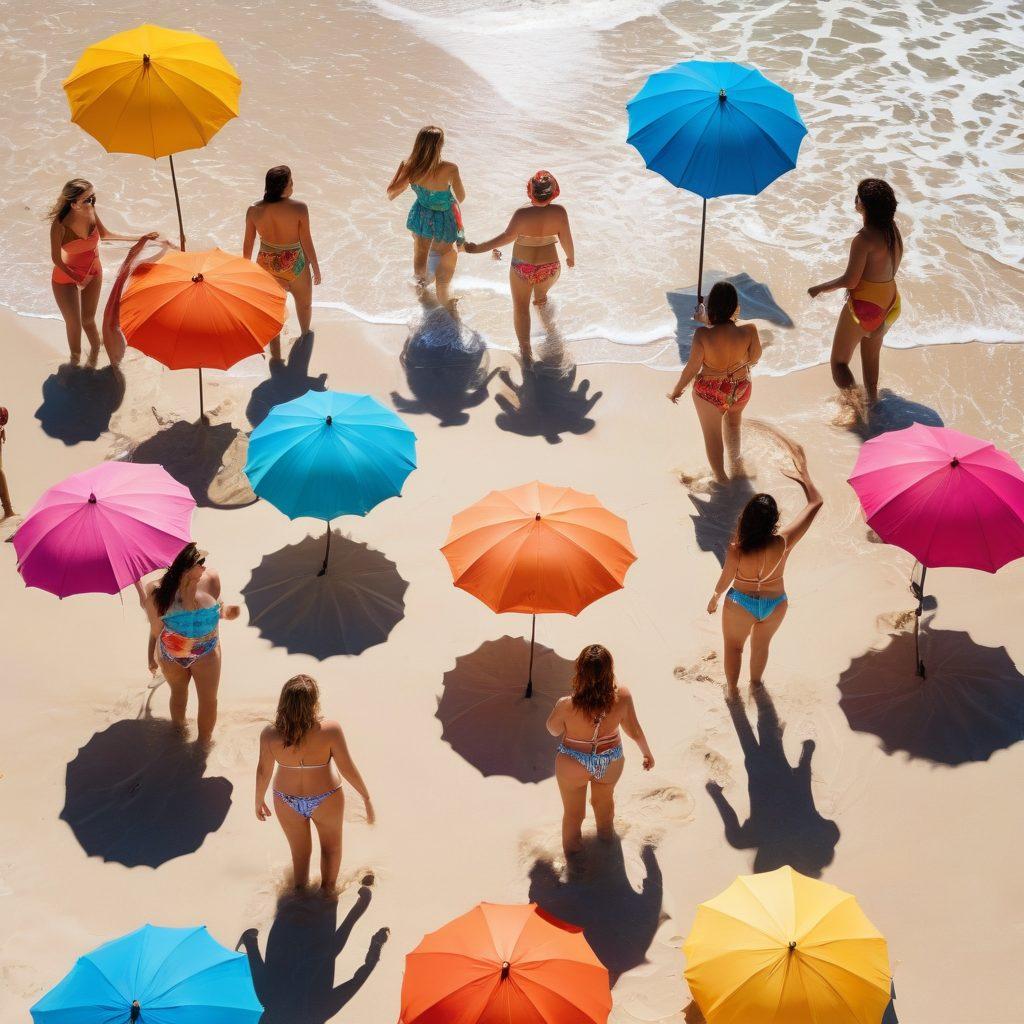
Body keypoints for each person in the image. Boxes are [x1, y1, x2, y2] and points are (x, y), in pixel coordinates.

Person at [707, 443, 823, 697]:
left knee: (734, 648)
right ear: (774, 520)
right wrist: (804, 477)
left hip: (740, 603)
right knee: (761, 648)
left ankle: (733, 693)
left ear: (746, 518)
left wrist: (715, 597)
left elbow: (726, 577)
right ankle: (756, 685)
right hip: (776, 603)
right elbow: (816, 502)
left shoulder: (738, 547)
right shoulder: (783, 541)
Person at [255, 675, 374, 893]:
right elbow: (347, 767)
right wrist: (366, 796)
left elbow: (263, 771)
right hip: (326, 797)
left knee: (299, 853)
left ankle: (299, 898)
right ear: (314, 703)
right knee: (331, 848)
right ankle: (327, 895)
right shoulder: (330, 730)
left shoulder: (270, 735)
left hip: (285, 799)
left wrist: (258, 800)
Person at [545, 645, 654, 856]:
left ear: (579, 672)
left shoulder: (567, 704)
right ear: (609, 670)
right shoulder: (622, 696)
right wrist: (647, 753)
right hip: (609, 759)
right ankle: (607, 846)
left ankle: (574, 863)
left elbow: (552, 730)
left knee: (573, 815)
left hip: (573, 761)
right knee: (604, 805)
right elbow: (635, 732)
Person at [808, 178, 903, 407]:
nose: (855, 200)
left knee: (839, 364)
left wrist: (819, 288)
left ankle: (858, 409)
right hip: (890, 304)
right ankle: (873, 402)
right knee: (871, 359)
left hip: (865, 308)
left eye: (858, 197)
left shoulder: (863, 240)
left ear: (866, 207)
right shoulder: (893, 232)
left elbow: (851, 281)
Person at [464, 171, 574, 367]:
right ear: (554, 193)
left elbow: (505, 238)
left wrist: (477, 248)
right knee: (540, 297)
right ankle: (551, 333)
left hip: (523, 267)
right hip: (550, 267)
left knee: (521, 306)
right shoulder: (560, 212)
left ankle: (526, 350)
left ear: (529, 192)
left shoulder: (521, 214)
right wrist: (570, 258)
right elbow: (566, 238)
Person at [48, 178, 159, 366]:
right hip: (65, 276)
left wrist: (139, 238)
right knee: (73, 323)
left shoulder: (91, 212)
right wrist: (77, 278)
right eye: (87, 199)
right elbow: (56, 259)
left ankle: (94, 353)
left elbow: (106, 236)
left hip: (93, 271)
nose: (92, 202)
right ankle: (74, 360)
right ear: (73, 204)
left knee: (88, 320)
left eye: (93, 198)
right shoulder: (59, 225)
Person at [142, 542, 240, 747]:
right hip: (205, 650)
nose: (204, 566)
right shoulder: (210, 579)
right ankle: (202, 745)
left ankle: (179, 734)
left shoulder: (156, 590)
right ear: (186, 568)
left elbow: (156, 630)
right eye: (200, 562)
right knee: (208, 700)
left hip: (171, 652)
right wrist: (229, 612)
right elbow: (219, 608)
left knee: (179, 694)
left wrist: (151, 655)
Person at [668, 281, 762, 483]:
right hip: (740, 388)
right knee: (734, 425)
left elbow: (692, 368)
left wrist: (677, 390)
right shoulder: (750, 330)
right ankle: (736, 464)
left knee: (713, 436)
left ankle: (721, 478)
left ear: (711, 307)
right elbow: (754, 358)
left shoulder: (702, 334)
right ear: (734, 306)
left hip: (711, 392)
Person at [243, 165, 322, 361]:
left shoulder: (253, 210)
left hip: (266, 266)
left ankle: (275, 354)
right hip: (294, 262)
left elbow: (248, 244)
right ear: (282, 187)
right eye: (291, 182)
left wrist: (246, 271)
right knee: (304, 305)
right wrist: (316, 267)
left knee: (273, 310)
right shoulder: (299, 208)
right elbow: (306, 241)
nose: (293, 184)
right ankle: (304, 336)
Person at [386, 126, 465, 307]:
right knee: (447, 252)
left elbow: (391, 193)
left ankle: (421, 293)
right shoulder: (451, 169)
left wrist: (406, 173)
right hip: (444, 216)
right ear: (441, 145)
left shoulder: (409, 166)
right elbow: (461, 197)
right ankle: (444, 293)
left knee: (420, 254)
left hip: (421, 214)